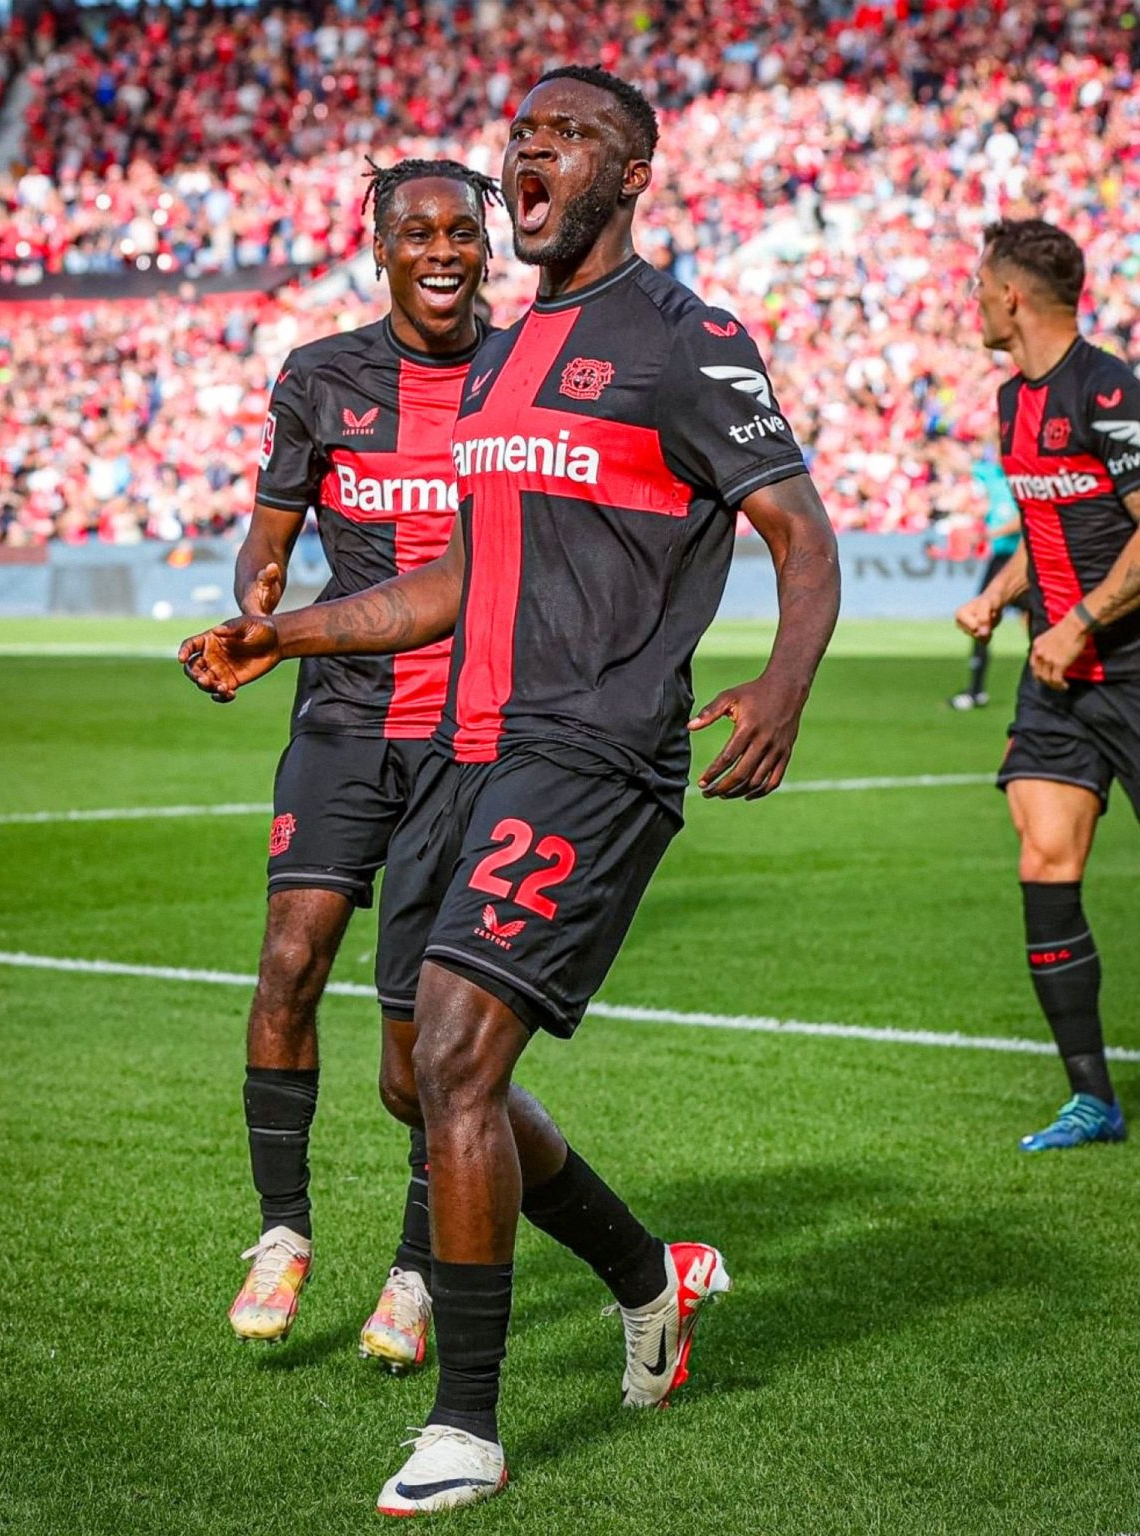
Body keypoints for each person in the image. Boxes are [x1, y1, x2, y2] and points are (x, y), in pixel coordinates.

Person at [181, 66, 840, 1514]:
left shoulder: (684, 340)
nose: (533, 152)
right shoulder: (501, 358)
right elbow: (455, 578)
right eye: (523, 135)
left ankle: (464, 1427)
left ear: (632, 175)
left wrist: (782, 686)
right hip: (467, 754)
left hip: (594, 751)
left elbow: (800, 533)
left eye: (570, 136)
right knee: (417, 1082)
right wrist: (287, 632)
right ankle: (646, 1276)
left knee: (459, 1057)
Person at [223, 158, 501, 1363]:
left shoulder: (522, 372)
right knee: (289, 961)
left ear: (484, 248)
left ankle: (414, 1271)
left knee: (422, 1047)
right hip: (342, 715)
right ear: (379, 247)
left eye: (461, 232)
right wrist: (257, 599)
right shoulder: (319, 376)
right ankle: (281, 1233)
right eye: (417, 232)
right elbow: (269, 535)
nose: (441, 251)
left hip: (470, 735)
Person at [957, 217, 1140, 1152]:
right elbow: (1047, 526)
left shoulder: (1108, 389)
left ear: (1011, 295)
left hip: (1126, 667)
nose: (973, 303)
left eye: (979, 287)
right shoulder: (1009, 400)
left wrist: (1079, 623)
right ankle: (1091, 1101)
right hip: (1056, 683)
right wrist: (999, 594)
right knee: (1044, 861)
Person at [948, 456, 1023, 710]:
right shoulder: (993, 474)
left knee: (1037, 624)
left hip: (1021, 559)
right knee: (981, 620)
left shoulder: (1025, 473)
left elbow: (1026, 517)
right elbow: (958, 465)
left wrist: (989, 533)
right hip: (1001, 559)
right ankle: (976, 690)